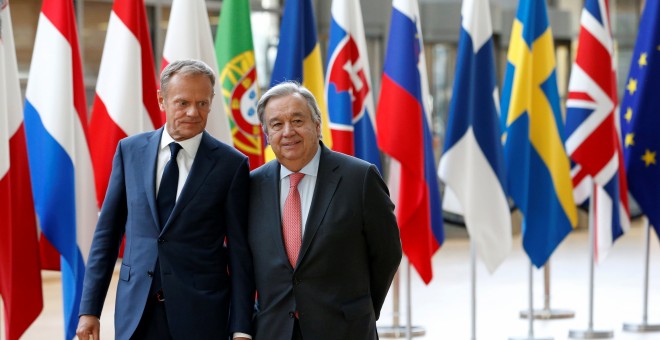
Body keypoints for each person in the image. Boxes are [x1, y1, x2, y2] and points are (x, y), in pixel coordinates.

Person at [76, 59, 254, 340]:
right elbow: (106, 237)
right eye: (182, 103)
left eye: (203, 103)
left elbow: (240, 252)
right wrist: (89, 310)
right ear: (162, 100)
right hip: (136, 314)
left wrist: (242, 326)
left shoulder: (231, 165)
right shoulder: (129, 151)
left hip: (202, 316)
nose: (193, 112)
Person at [248, 82, 402, 339]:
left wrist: (360, 310)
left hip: (344, 329)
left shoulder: (360, 178)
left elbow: (387, 254)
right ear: (266, 134)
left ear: (317, 126)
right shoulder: (252, 185)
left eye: (297, 120)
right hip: (274, 331)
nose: (288, 132)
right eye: (276, 124)